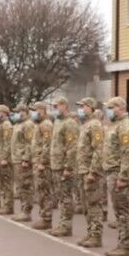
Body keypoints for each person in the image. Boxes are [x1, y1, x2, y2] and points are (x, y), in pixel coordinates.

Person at [102, 96, 129, 256]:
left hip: (119, 173)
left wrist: (123, 177)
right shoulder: (114, 125)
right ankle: (122, 243)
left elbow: (128, 153)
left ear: (120, 108)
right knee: (118, 211)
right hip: (112, 171)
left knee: (123, 211)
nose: (108, 110)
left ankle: (126, 245)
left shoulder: (125, 127)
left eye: (111, 107)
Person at [47, 96, 79, 237]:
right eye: (53, 107)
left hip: (64, 167)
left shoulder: (70, 123)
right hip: (56, 165)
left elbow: (72, 147)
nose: (55, 109)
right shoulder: (58, 122)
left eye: (57, 106)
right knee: (61, 196)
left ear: (65, 106)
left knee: (66, 197)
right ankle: (62, 224)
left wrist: (68, 167)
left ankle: (66, 226)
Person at [76, 97, 105, 248]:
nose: (81, 109)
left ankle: (96, 235)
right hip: (83, 170)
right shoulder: (85, 124)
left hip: (90, 172)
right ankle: (90, 232)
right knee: (86, 204)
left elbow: (98, 149)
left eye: (83, 106)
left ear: (91, 107)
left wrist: (93, 172)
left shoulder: (94, 125)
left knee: (93, 203)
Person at [30, 102, 54, 230]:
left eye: (36, 110)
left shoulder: (46, 125)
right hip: (37, 162)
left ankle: (47, 218)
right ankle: (44, 216)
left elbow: (47, 144)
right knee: (40, 190)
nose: (34, 113)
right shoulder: (38, 124)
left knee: (44, 191)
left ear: (42, 110)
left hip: (42, 164)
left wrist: (42, 162)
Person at [11, 104, 36, 222]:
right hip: (17, 159)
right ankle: (23, 210)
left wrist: (26, 159)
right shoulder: (18, 125)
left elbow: (29, 143)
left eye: (18, 112)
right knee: (20, 186)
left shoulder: (28, 125)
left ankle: (26, 211)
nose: (16, 114)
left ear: (24, 112)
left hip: (22, 160)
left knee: (25, 186)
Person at [0, 105, 14, 215]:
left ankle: (8, 206)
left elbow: (7, 142)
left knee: (6, 183)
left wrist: (5, 157)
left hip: (3, 159)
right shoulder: (0, 125)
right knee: (2, 182)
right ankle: (4, 205)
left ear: (4, 113)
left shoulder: (6, 125)